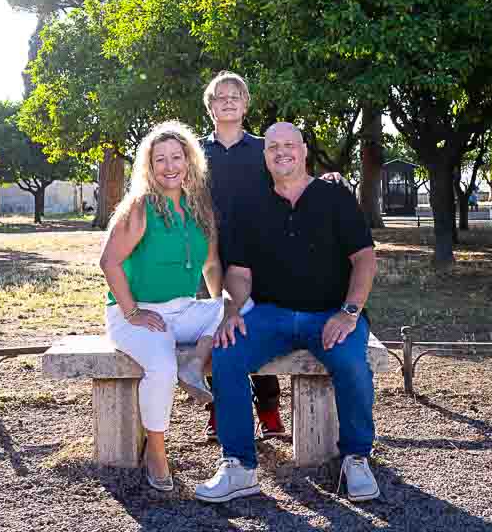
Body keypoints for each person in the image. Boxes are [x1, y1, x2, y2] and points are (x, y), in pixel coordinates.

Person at [196, 122, 380, 503]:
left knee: (350, 362)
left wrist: (349, 312)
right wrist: (231, 310)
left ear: (303, 150)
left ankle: (357, 459)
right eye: (273, 146)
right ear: (264, 157)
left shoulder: (336, 197)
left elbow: (364, 260)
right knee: (227, 354)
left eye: (289, 145)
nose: (282, 152)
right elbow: (239, 273)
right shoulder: (251, 205)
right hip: (271, 315)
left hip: (331, 313)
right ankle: (239, 466)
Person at [99, 120, 224, 492]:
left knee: (239, 308)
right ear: (149, 167)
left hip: (184, 309)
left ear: (189, 161)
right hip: (135, 316)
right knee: (161, 366)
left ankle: (196, 359)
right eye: (160, 160)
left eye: (176, 157)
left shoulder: (199, 208)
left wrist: (217, 313)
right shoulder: (139, 207)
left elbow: (212, 265)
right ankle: (156, 450)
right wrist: (133, 311)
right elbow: (109, 262)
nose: (169, 167)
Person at [198, 72, 287, 441]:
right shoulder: (196, 151)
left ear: (246, 104)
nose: (229, 101)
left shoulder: (264, 148)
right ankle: (220, 410)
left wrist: (328, 180)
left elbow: (290, 180)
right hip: (208, 252)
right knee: (215, 330)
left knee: (255, 327)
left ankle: (268, 410)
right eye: (221, 97)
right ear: (211, 106)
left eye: (236, 96)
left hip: (257, 252)